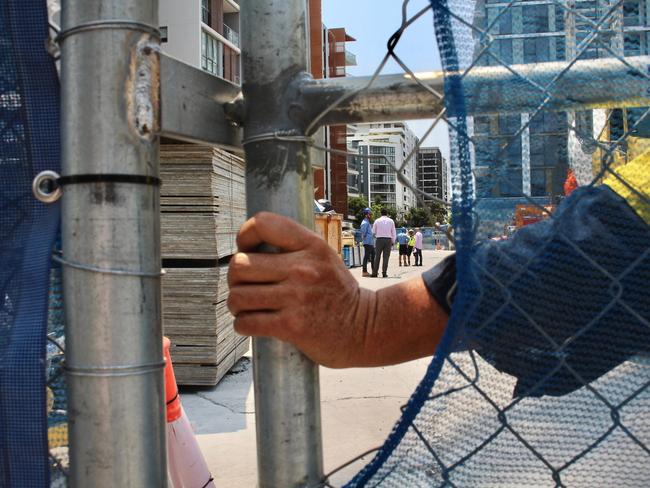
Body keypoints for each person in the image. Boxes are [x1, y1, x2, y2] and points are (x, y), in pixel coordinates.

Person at [227, 152, 649, 394]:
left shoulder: (388, 226)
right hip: (392, 248)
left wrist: (366, 323)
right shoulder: (385, 225)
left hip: (390, 249)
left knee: (381, 262)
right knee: (383, 261)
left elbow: (593, 250)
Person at [371, 208, 396, 278]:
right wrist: (393, 241)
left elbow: (373, 231)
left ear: (380, 213)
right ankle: (384, 273)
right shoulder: (391, 221)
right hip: (388, 240)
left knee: (377, 256)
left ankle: (375, 273)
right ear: (387, 213)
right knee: (386, 257)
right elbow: (393, 232)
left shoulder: (377, 221)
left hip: (379, 239)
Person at [359, 208, 375, 278]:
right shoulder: (364, 223)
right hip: (367, 243)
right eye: (369, 214)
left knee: (373, 256)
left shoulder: (367, 222)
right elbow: (363, 234)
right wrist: (365, 240)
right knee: (366, 257)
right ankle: (364, 271)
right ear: (366, 215)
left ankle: (374, 271)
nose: (370, 215)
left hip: (370, 242)